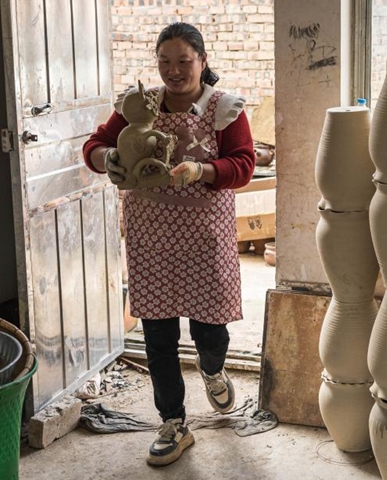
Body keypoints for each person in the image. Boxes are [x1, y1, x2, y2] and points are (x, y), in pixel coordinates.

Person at [83, 22, 256, 467]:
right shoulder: (139, 106)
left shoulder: (224, 108)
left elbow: (244, 164)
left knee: (209, 327)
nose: (174, 71)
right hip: (151, 234)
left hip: (204, 233)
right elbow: (96, 144)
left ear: (202, 61)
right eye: (165, 61)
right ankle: (173, 423)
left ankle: (213, 368)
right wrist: (111, 159)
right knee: (159, 334)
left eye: (184, 61)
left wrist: (203, 171)